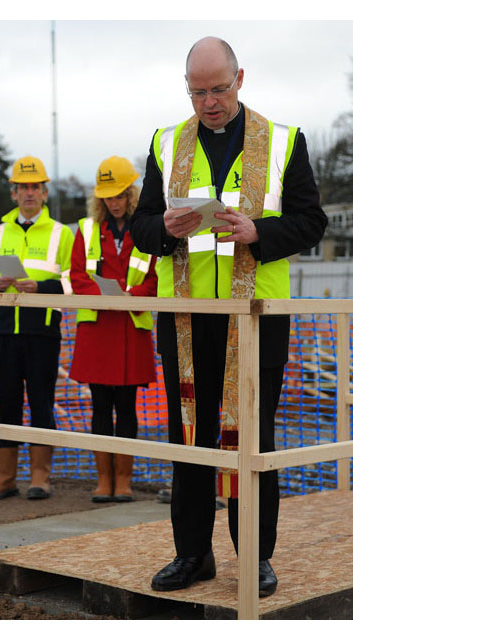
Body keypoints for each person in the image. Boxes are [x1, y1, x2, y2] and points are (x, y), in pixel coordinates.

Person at [130, 37, 328, 597]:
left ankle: (256, 558)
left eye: (219, 89)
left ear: (241, 79)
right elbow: (139, 226)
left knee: (251, 440)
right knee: (190, 436)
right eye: (198, 92)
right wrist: (162, 230)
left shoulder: (285, 141)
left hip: (255, 318)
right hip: (187, 318)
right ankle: (192, 554)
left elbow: (312, 222)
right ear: (187, 89)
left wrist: (259, 232)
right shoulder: (166, 143)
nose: (209, 102)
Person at [0, 155, 74, 501]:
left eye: (35, 187)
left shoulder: (61, 234)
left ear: (44, 193)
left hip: (42, 331)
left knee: (42, 404)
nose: (29, 193)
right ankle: (4, 477)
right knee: (6, 404)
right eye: (22, 188)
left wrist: (41, 289)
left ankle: (40, 478)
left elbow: (75, 279)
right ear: (13, 194)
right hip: (2, 332)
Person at [69, 156, 158, 503]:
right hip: (98, 329)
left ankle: (124, 481)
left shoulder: (145, 229)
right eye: (108, 196)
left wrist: (130, 296)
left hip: (131, 329)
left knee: (128, 407)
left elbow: (155, 279)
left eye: (119, 195)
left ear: (131, 194)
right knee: (100, 406)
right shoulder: (87, 230)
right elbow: (77, 275)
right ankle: (103, 480)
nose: (114, 202)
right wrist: (108, 297)